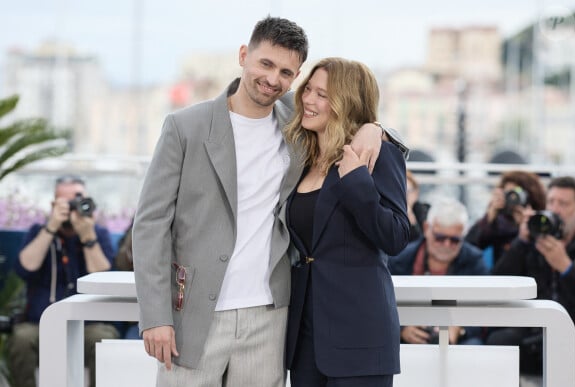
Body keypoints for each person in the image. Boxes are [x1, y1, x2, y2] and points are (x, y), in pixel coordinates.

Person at [132, 17, 385, 387]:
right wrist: (156, 317)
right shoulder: (185, 126)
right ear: (244, 55)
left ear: (295, 77)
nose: (272, 79)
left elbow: (348, 119)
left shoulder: (298, 129)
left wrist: (374, 128)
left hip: (269, 315)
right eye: (265, 64)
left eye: (285, 72)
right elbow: (151, 224)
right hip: (196, 315)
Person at [283, 57, 410, 387]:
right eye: (308, 89)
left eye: (322, 94)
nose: (308, 100)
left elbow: (396, 236)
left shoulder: (377, 154)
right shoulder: (303, 159)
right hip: (306, 337)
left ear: (346, 101)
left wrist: (357, 183)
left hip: (360, 336)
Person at [7, 174, 119, 387]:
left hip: (90, 324)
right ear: (53, 204)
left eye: (78, 200)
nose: (73, 207)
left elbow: (104, 276)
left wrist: (87, 236)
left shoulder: (98, 234)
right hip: (39, 323)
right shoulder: (38, 232)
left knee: (102, 339)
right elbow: (24, 267)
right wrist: (51, 228)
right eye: (66, 202)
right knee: (21, 339)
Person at [487, 176, 575, 384]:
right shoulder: (532, 240)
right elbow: (498, 281)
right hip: (534, 333)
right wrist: (521, 241)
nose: (555, 210)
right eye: (551, 202)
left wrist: (566, 267)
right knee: (499, 341)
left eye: (563, 204)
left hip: (573, 333)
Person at [389, 197, 489, 345]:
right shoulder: (400, 259)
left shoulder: (475, 261)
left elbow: (488, 310)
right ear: (426, 228)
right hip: (409, 336)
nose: (446, 244)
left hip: (459, 340)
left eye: (454, 240)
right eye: (440, 238)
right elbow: (380, 305)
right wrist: (402, 328)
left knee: (474, 345)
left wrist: (460, 330)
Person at [465, 170, 546, 267]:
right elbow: (467, 250)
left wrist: (530, 228)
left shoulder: (542, 221)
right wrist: (489, 219)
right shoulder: (500, 224)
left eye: (517, 193)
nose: (513, 198)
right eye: (508, 194)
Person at [406, 170, 430, 241]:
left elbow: (422, 242)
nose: (404, 196)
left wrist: (411, 218)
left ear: (416, 193)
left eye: (407, 192)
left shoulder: (424, 212)